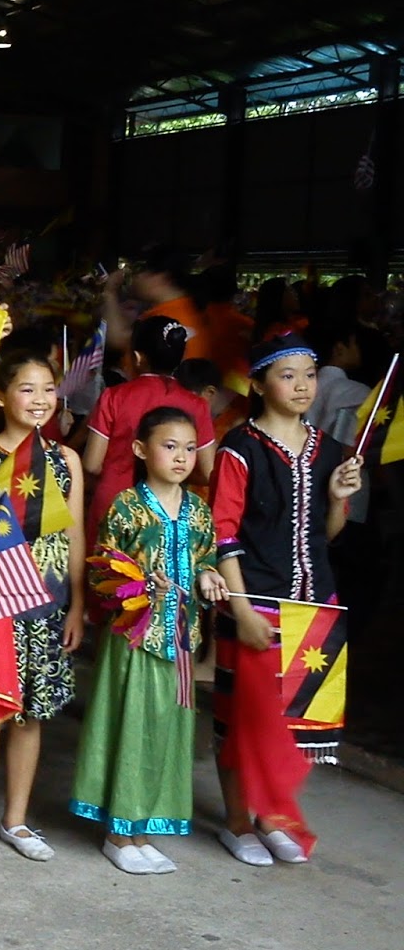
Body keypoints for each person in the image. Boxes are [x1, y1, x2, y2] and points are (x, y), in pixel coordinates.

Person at [210, 334, 362, 866]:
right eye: (287, 375)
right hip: (256, 598)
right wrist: (242, 608)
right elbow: (223, 533)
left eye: (309, 374)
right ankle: (235, 821)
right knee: (242, 716)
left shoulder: (330, 450)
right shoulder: (240, 448)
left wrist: (340, 499)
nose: (301, 386)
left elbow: (328, 533)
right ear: (257, 384)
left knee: (295, 723)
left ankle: (272, 816)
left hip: (315, 604)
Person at [71, 407, 227, 874]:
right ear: (140, 450)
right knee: (131, 725)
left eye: (188, 447)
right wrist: (139, 585)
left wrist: (210, 576)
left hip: (179, 641)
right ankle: (119, 832)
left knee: (168, 729)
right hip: (135, 638)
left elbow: (206, 559)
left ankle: (145, 827)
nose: (181, 457)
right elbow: (103, 573)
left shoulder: (199, 510)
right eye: (169, 445)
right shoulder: (126, 507)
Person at [0, 350, 86, 864]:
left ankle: (17, 819)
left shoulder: (66, 460)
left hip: (48, 603)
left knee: (33, 716)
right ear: (0, 396)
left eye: (48, 389)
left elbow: (74, 533)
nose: (40, 399)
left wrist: (76, 606)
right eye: (27, 389)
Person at [83, 316, 216, 527]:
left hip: (113, 505)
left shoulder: (114, 396)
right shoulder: (197, 405)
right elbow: (210, 472)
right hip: (168, 508)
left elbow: (91, 464)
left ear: (137, 357)